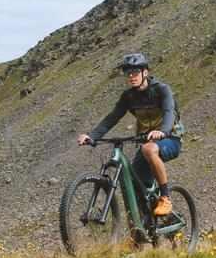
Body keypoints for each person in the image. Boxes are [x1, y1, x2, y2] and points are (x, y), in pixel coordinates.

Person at [77, 53, 181, 218]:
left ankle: (165, 197)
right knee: (132, 185)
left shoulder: (162, 90)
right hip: (146, 142)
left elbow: (170, 112)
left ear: (145, 72)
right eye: (128, 73)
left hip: (170, 139)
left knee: (148, 150)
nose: (131, 76)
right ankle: (139, 231)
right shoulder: (129, 96)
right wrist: (93, 136)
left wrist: (163, 131)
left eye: (135, 72)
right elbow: (112, 118)